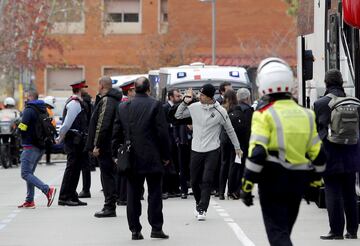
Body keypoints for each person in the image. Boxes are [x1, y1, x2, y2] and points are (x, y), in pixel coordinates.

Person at [239, 57, 326, 246]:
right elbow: (319, 156)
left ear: (263, 85)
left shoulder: (263, 114)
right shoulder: (307, 114)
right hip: (298, 181)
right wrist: (315, 184)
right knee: (284, 230)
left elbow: (258, 154)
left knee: (277, 233)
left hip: (272, 180)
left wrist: (246, 187)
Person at [112, 77, 171, 240]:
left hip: (131, 156)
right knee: (155, 193)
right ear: (148, 89)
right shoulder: (155, 104)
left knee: (132, 194)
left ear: (134, 89)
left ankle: (135, 230)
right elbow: (162, 133)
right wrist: (166, 155)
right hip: (152, 156)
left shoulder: (123, 106)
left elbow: (116, 132)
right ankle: (156, 228)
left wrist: (115, 154)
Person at [175, 84, 242, 221]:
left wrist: (237, 147)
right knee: (194, 181)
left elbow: (230, 130)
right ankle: (199, 202)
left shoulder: (221, 111)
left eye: (203, 95)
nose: (200, 97)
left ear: (210, 97)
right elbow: (178, 115)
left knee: (207, 180)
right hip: (196, 149)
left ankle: (202, 209)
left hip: (212, 150)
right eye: (199, 94)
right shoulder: (194, 107)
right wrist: (184, 102)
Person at [314, 69, 360, 240]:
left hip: (331, 153)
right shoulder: (355, 102)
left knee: (332, 192)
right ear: (341, 82)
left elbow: (318, 130)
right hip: (351, 152)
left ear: (326, 83)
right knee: (350, 192)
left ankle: (336, 231)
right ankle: (353, 231)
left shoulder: (320, 104)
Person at [86, 76, 122, 218]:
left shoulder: (107, 101)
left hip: (105, 146)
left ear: (102, 85)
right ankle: (110, 204)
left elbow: (102, 125)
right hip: (109, 144)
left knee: (107, 176)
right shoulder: (111, 100)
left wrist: (97, 144)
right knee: (109, 175)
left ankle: (109, 206)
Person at [17, 90, 56, 209]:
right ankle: (29, 201)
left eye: (26, 97)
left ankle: (47, 190)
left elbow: (23, 126)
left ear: (30, 97)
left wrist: (17, 131)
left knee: (25, 173)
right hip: (40, 146)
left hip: (30, 145)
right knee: (30, 173)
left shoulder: (29, 109)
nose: (25, 99)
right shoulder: (42, 108)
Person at [56, 80, 89, 206]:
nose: (86, 90)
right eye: (84, 88)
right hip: (73, 140)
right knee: (72, 168)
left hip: (77, 140)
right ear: (80, 90)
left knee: (76, 169)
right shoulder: (75, 103)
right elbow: (66, 124)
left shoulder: (76, 102)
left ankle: (72, 195)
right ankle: (64, 197)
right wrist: (60, 137)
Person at [162, 88, 182, 199]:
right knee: (169, 165)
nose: (179, 98)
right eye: (177, 96)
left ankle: (174, 188)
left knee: (175, 165)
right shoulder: (165, 107)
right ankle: (168, 189)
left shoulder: (175, 107)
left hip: (175, 140)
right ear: (171, 97)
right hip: (169, 140)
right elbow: (165, 124)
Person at [78, 91, 93, 198]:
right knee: (86, 165)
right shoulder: (89, 103)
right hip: (89, 135)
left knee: (84, 165)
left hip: (84, 135)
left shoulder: (83, 104)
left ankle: (86, 189)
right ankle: (86, 188)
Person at [43, 96, 56, 165]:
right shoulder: (46, 110)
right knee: (48, 146)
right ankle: (48, 161)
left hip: (50, 130)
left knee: (49, 146)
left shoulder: (48, 109)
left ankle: (48, 160)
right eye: (53, 102)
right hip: (48, 131)